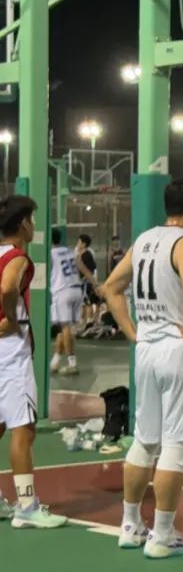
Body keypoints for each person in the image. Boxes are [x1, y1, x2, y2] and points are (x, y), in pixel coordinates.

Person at [100, 177, 183, 557]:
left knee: (145, 440)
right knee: (175, 443)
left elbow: (110, 287)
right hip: (179, 352)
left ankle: (130, 526)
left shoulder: (144, 240)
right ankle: (162, 536)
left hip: (146, 351)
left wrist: (133, 333)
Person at [0, 196, 67, 528]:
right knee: (23, 428)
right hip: (10, 351)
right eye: (32, 219)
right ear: (23, 223)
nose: (34, 225)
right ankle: (26, 506)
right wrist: (10, 319)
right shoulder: (18, 258)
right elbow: (7, 288)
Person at [50, 228, 92, 376]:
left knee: (65, 327)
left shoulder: (50, 254)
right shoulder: (70, 251)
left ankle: (72, 363)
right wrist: (95, 284)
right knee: (64, 329)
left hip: (62, 291)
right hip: (76, 290)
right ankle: (55, 362)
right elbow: (83, 268)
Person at [77, 234, 101, 331]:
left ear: (84, 244)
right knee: (84, 303)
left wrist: (86, 279)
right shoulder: (80, 255)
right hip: (82, 283)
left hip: (87, 283)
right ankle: (85, 322)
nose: (77, 244)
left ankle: (89, 322)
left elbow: (92, 269)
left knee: (88, 303)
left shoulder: (87, 255)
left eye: (79, 242)